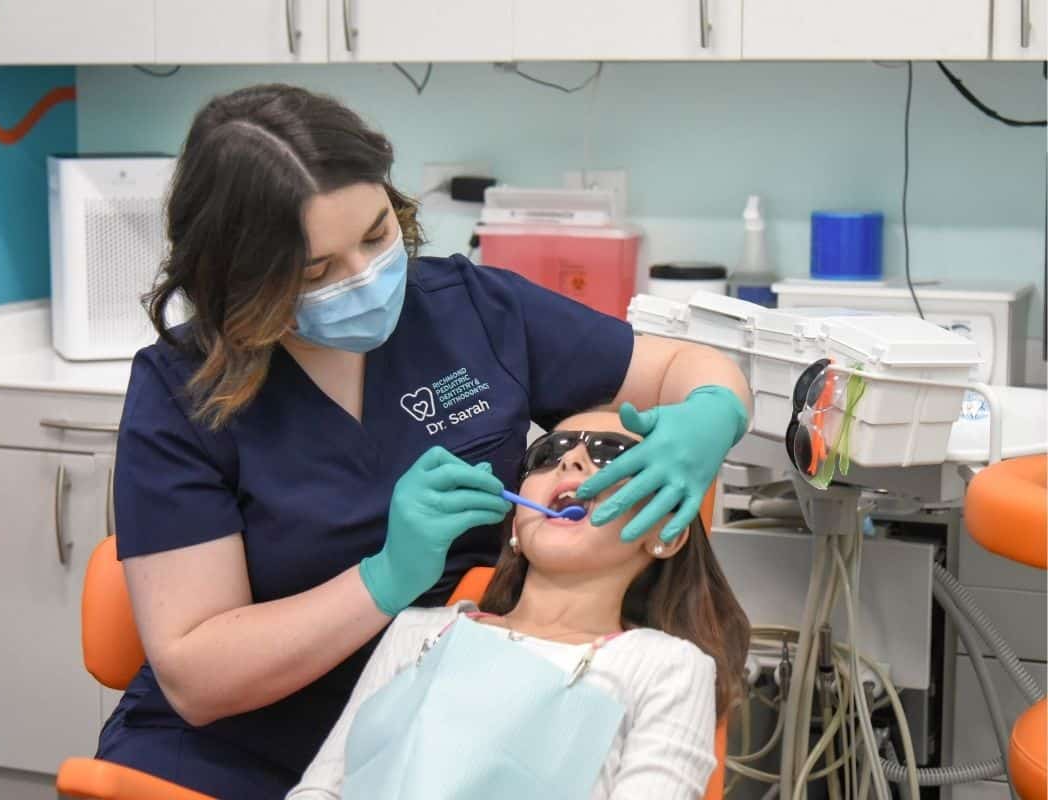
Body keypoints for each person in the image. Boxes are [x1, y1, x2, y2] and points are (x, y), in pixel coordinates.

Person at [97, 83, 752, 799]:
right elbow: (195, 678)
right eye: (316, 272)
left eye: (377, 235)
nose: (367, 279)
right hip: (231, 758)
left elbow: (688, 367)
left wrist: (713, 412)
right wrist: (382, 581)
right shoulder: (182, 392)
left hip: (443, 748)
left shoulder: (473, 311)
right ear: (242, 281)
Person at [287, 408, 752, 800]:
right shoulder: (418, 631)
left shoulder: (664, 666)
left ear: (665, 535)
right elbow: (321, 789)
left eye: (611, 454)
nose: (571, 459)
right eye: (548, 453)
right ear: (514, 523)